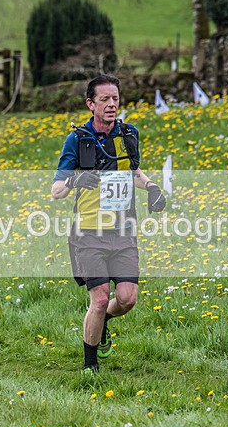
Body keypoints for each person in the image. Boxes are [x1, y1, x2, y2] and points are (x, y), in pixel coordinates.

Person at [52, 75, 167, 374]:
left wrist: (152, 187)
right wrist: (77, 178)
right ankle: (90, 367)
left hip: (123, 231)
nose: (112, 104)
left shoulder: (129, 134)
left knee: (127, 299)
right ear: (91, 104)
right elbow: (56, 191)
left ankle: (103, 322)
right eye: (105, 99)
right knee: (100, 297)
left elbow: (134, 171)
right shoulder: (77, 139)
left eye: (115, 98)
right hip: (88, 232)